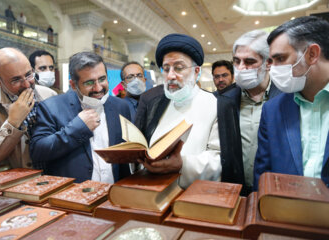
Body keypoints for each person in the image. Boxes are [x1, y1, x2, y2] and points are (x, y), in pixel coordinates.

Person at [136, 33, 226, 189]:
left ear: (197, 72)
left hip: (193, 198)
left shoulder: (214, 104)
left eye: (178, 68)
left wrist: (182, 165)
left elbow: (219, 160)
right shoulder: (158, 104)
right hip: (154, 191)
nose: (171, 75)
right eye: (166, 68)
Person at [30, 52, 131, 183]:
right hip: (73, 197)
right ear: (73, 85)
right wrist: (78, 128)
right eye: (89, 82)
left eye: (102, 79)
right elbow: (38, 152)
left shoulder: (121, 106)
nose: (98, 88)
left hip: (113, 193)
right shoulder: (51, 107)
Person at [254, 16, 329, 189]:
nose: (273, 69)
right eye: (271, 61)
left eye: (280, 59)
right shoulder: (272, 110)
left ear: (312, 54)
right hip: (282, 213)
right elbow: (263, 175)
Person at [217, 30, 281, 194]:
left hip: (275, 189)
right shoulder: (224, 100)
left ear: (269, 63)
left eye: (249, 61)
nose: (241, 68)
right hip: (235, 189)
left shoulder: (286, 98)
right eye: (236, 61)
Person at [0, 48, 56, 168]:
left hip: (52, 177)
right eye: (16, 80)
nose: (26, 84)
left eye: (28, 75)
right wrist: (13, 123)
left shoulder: (49, 95)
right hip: (12, 182)